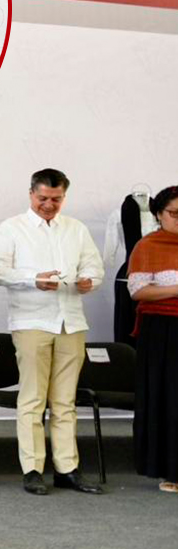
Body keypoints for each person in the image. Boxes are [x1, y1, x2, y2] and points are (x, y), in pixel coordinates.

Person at [0, 168, 104, 495]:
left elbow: (94, 268)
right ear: (30, 194)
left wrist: (88, 281)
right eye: (43, 198)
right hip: (31, 322)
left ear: (64, 196)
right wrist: (32, 278)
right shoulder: (12, 228)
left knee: (65, 401)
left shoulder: (76, 228)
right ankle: (33, 469)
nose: (49, 205)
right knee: (33, 398)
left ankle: (67, 468)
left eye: (56, 199)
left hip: (71, 321)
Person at [129, 185, 178, 493]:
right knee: (170, 399)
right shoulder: (148, 246)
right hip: (164, 331)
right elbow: (138, 291)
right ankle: (171, 469)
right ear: (159, 215)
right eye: (174, 214)